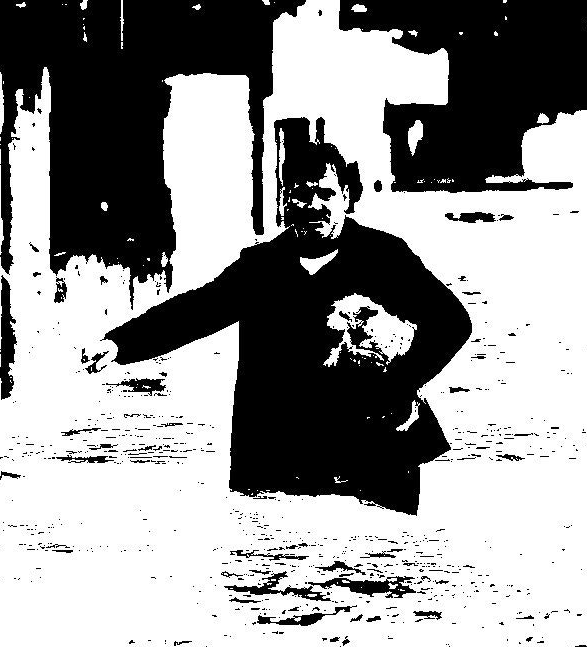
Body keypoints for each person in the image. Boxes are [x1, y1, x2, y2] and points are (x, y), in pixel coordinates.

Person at [82, 142, 472, 514]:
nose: (311, 206)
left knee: (373, 569)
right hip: (280, 449)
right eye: (299, 195)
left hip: (373, 444)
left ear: (348, 198)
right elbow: (199, 309)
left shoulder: (384, 258)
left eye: (325, 194)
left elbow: (451, 322)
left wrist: (397, 386)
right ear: (285, 200)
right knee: (279, 572)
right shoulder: (263, 265)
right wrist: (120, 343)